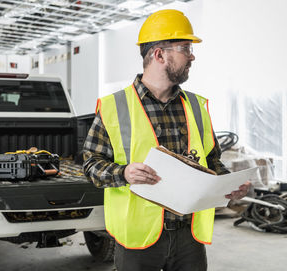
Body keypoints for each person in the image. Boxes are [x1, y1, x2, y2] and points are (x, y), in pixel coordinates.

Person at [83, 9, 250, 271]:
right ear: (159, 54)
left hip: (188, 236)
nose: (192, 55)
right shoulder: (114, 106)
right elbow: (91, 165)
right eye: (184, 47)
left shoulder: (196, 105)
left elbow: (212, 160)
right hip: (138, 237)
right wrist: (123, 173)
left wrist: (228, 185)